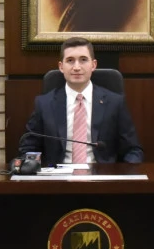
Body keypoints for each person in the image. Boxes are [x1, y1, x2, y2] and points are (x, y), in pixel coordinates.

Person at [16, 37, 143, 167]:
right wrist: (30, 166)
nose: (76, 67)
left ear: (93, 65)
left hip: (102, 174)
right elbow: (28, 147)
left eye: (83, 60)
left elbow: (133, 150)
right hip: (58, 175)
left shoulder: (114, 103)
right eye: (70, 60)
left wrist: (126, 174)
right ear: (61, 66)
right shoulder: (44, 104)